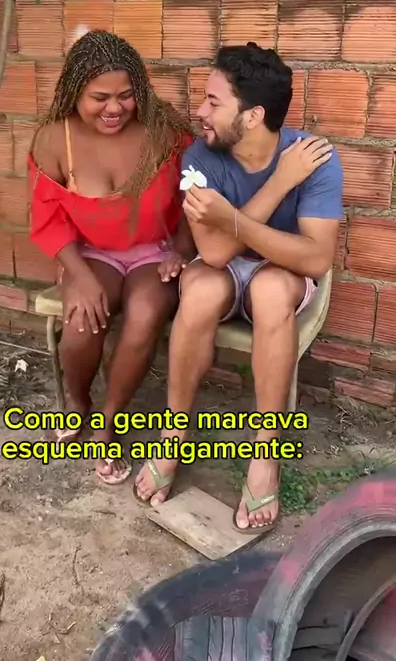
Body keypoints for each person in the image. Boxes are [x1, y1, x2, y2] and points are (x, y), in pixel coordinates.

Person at [134, 42, 343, 531]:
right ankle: (174, 434)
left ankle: (266, 454)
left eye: (213, 101)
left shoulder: (312, 158)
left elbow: (316, 257)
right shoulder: (200, 156)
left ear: (253, 116)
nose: (200, 112)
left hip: (281, 271)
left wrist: (235, 217)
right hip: (223, 267)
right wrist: (277, 186)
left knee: (271, 291)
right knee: (200, 288)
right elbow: (214, 252)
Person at [28, 29, 195, 484]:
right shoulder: (54, 138)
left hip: (155, 252)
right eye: (99, 97)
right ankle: (78, 402)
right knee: (82, 322)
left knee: (145, 314)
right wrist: (79, 276)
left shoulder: (164, 130)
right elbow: (47, 216)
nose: (114, 108)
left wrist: (182, 250)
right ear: (74, 92)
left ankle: (109, 422)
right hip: (90, 254)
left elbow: (195, 196)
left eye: (126, 95)